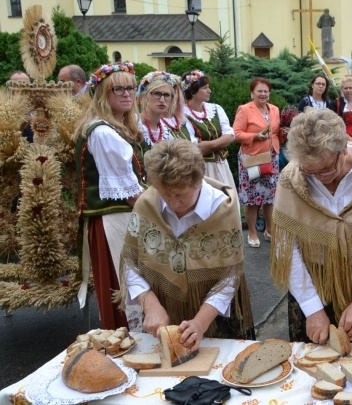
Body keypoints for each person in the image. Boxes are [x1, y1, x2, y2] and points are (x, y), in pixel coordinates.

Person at [271, 109, 352, 348]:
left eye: (326, 170)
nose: (319, 178)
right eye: (309, 171)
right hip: (313, 289)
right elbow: (286, 248)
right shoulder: (291, 179)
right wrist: (312, 308)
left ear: (344, 148)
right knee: (312, 372)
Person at [118, 140, 255, 348]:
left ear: (198, 182)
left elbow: (231, 273)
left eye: (181, 195)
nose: (173, 203)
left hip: (218, 316)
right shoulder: (147, 203)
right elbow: (130, 261)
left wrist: (200, 322)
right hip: (165, 313)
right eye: (166, 195)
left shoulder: (222, 208)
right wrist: (150, 304)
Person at [74, 62, 144, 329]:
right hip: (114, 221)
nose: (127, 94)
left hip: (124, 217)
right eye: (118, 89)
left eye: (130, 88)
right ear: (104, 94)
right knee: (126, 286)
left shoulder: (116, 127)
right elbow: (129, 193)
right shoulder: (103, 132)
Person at [233, 78, 281, 247]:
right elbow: (236, 134)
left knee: (270, 197)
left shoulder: (274, 109)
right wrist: (254, 136)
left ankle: (270, 229)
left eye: (266, 91)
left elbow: (275, 131)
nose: (263, 94)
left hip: (272, 157)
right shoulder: (245, 110)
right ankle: (252, 233)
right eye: (259, 91)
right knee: (253, 198)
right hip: (252, 159)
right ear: (252, 93)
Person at [181, 70, 236, 189]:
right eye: (205, 87)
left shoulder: (215, 108)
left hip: (222, 165)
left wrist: (210, 144)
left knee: (226, 200)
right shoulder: (182, 115)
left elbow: (230, 135)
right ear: (193, 91)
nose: (209, 91)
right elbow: (195, 147)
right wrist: (221, 142)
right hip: (201, 168)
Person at [137, 71, 189, 149]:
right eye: (157, 94)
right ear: (146, 96)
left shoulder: (166, 131)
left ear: (172, 99)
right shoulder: (136, 124)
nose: (162, 99)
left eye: (166, 95)